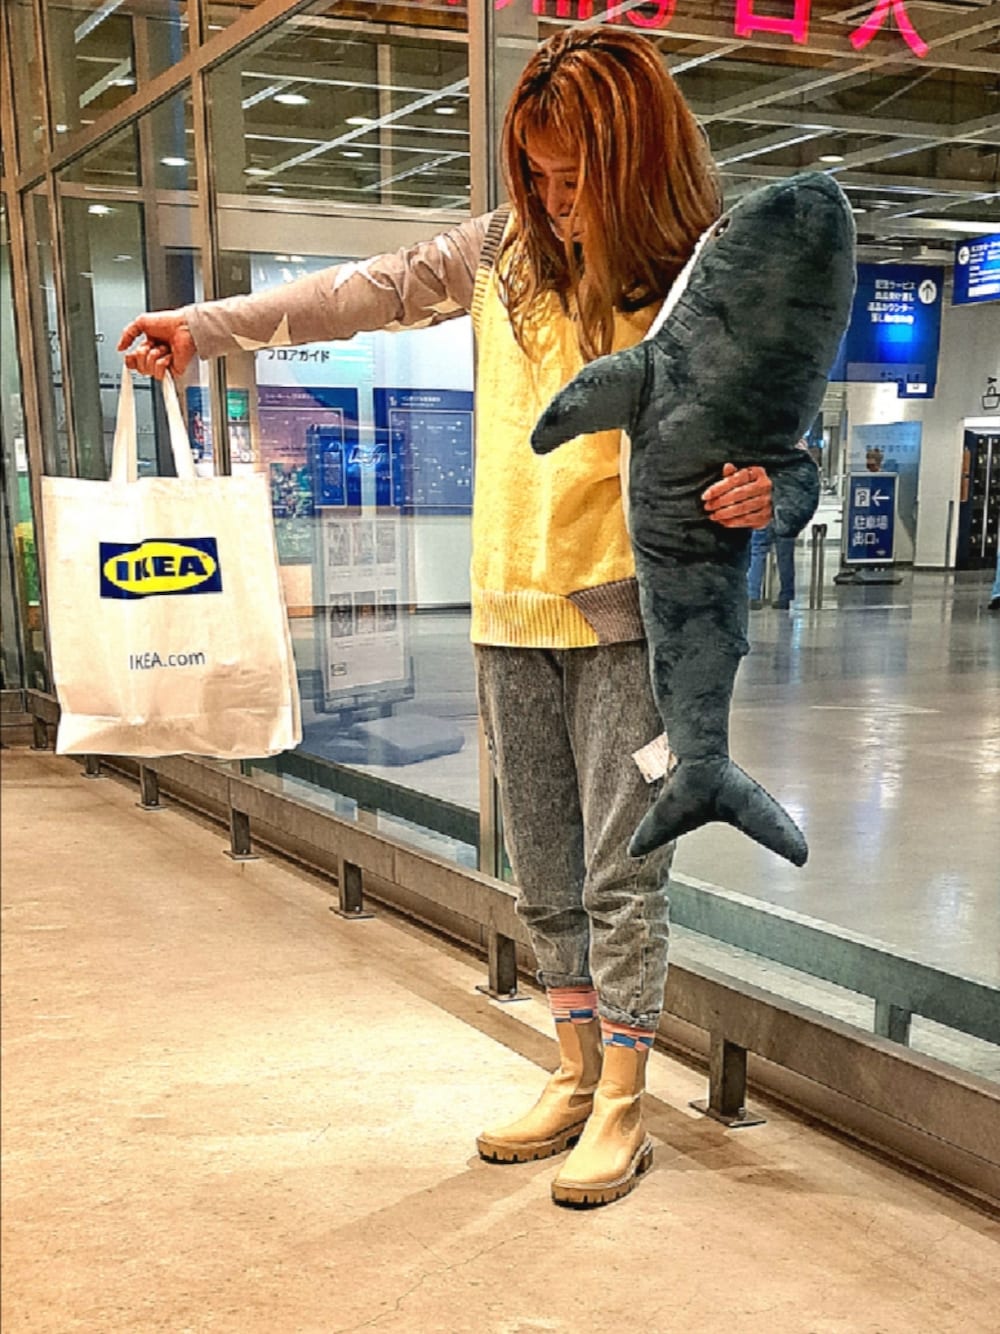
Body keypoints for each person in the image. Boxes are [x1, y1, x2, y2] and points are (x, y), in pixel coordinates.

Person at [119, 26, 819, 1207]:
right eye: (535, 176)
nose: (553, 200)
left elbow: (788, 462)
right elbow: (359, 293)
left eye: (573, 177)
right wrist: (206, 328)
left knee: (622, 874)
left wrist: (769, 495)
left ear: (637, 160)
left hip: (632, 623)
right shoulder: (502, 254)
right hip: (507, 610)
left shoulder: (708, 277)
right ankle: (574, 1064)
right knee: (540, 868)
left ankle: (624, 1098)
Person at [747, 523, 797, 610]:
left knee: (757, 554)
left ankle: (753, 596)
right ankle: (785, 598)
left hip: (763, 520)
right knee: (785, 558)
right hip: (785, 521)